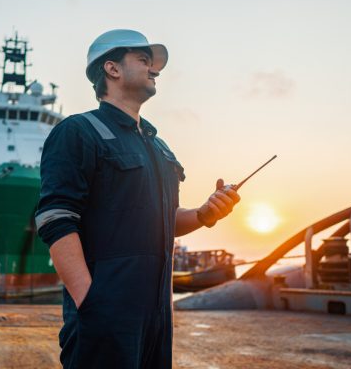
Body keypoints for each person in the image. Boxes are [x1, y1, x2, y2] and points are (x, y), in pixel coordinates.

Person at [35, 29, 240, 369]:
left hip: (157, 318)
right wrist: (91, 303)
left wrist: (205, 213)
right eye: (144, 60)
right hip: (103, 315)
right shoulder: (78, 131)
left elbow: (166, 221)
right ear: (112, 69)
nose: (154, 69)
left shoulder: (159, 147)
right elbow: (55, 219)